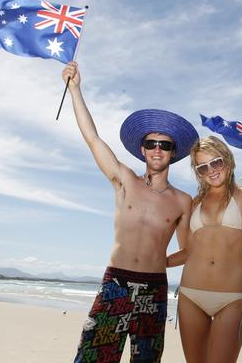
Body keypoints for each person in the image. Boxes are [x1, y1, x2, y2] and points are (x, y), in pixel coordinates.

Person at [63, 61, 199, 363]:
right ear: (142, 149)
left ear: (173, 152)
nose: (157, 149)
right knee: (92, 358)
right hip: (116, 285)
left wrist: (160, 260)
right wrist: (75, 89)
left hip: (154, 290)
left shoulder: (182, 200)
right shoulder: (124, 181)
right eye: (151, 143)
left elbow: (188, 250)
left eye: (165, 144)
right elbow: (93, 138)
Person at [166, 135, 242, 363]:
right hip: (191, 295)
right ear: (198, 172)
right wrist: (158, 261)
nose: (211, 171)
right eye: (203, 167)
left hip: (232, 299)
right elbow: (187, 252)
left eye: (216, 162)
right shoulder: (192, 203)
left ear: (228, 160)